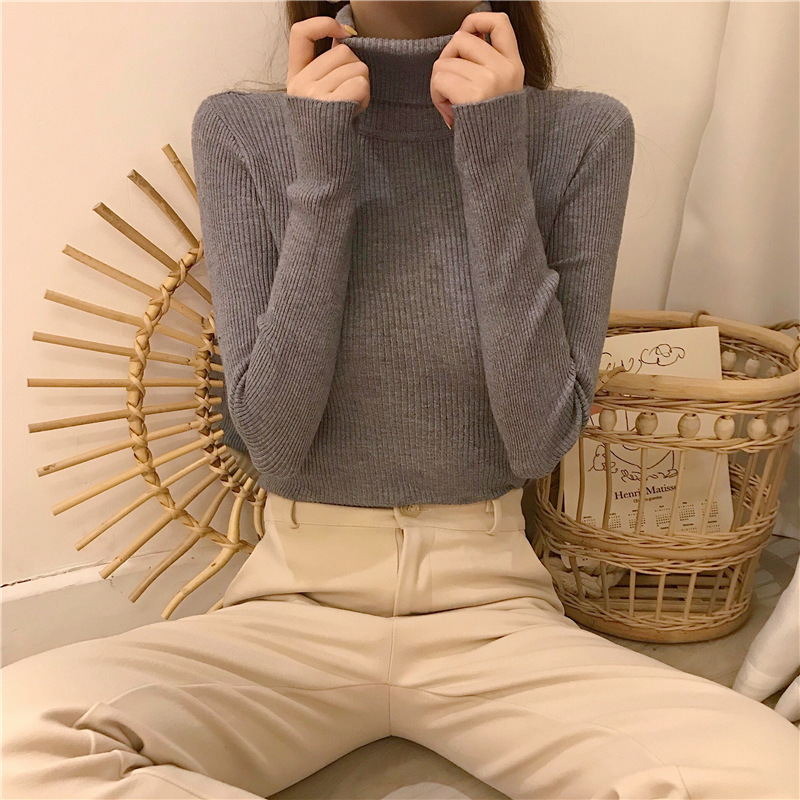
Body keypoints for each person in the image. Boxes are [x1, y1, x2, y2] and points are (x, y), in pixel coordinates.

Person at [3, 2, 799, 798]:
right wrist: (323, 170)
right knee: (20, 738)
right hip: (294, 605)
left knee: (766, 772)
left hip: (491, 611)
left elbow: (536, 442)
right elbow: (274, 446)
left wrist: (492, 157)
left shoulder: (581, 132)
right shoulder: (244, 129)